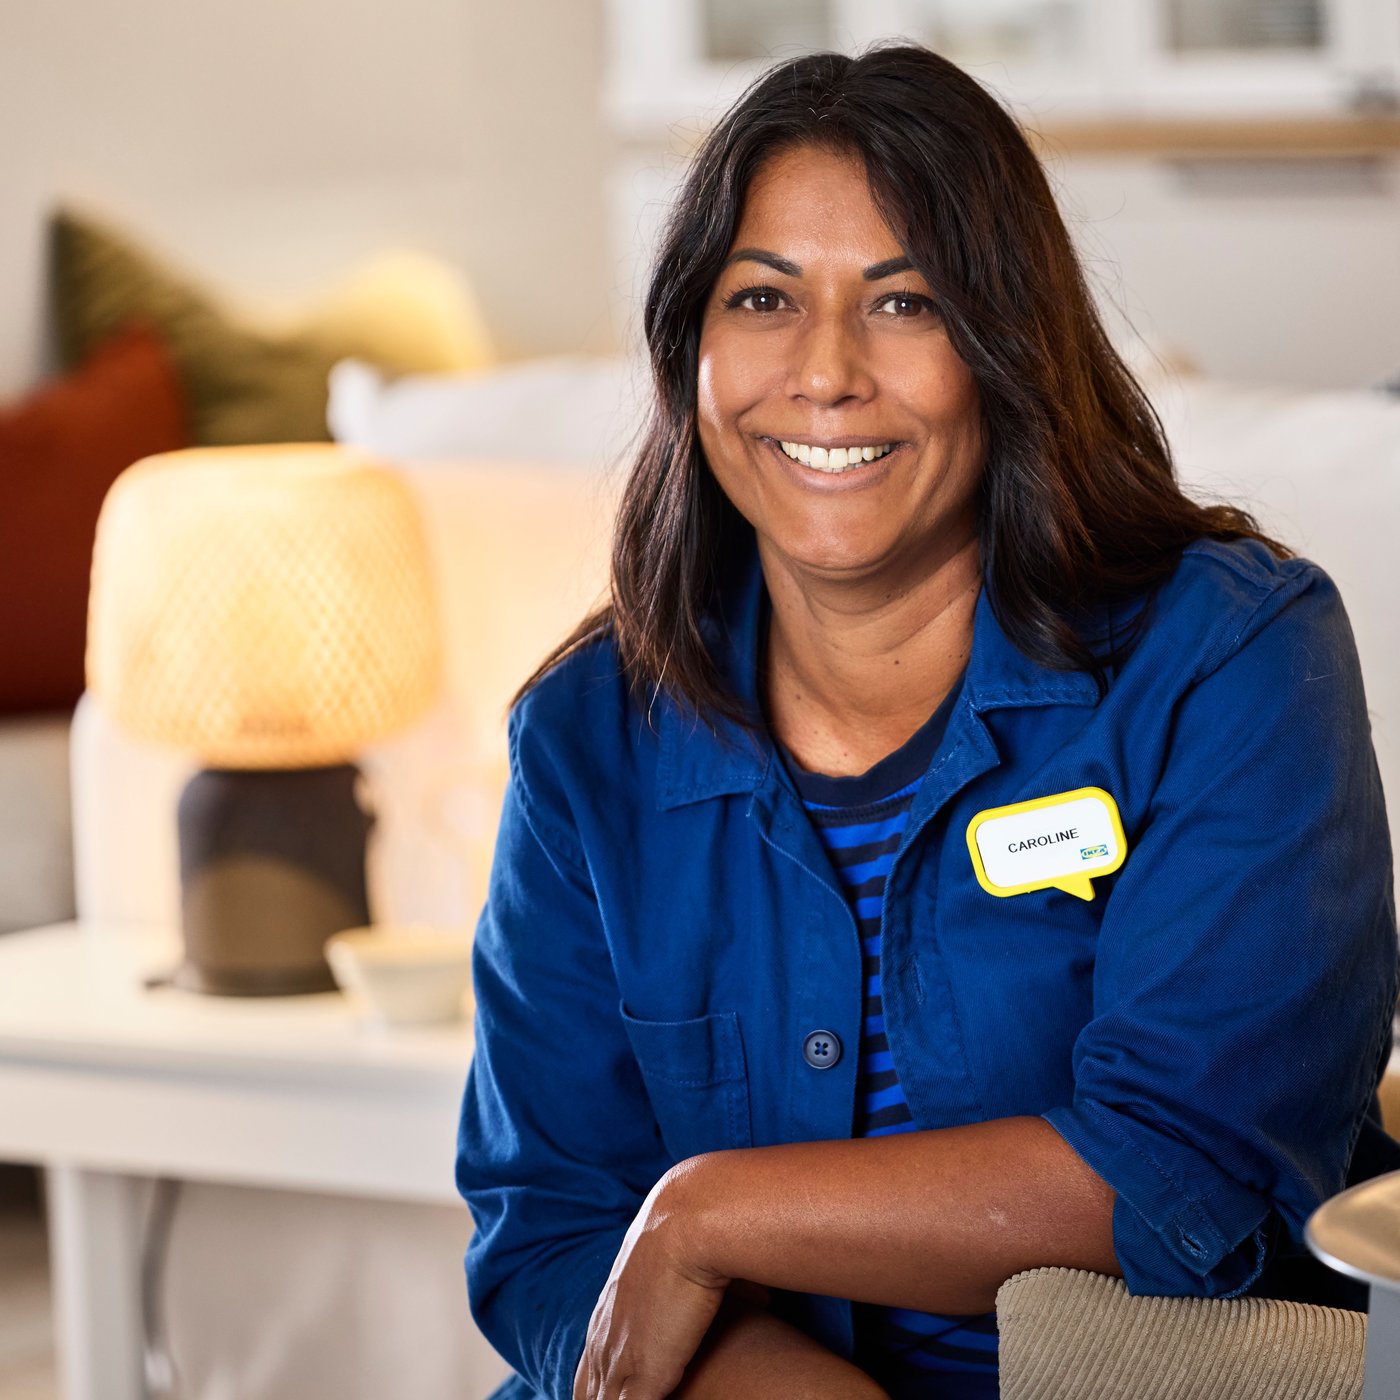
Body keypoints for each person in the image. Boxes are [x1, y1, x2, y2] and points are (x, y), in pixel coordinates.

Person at [455, 43, 1399, 1400]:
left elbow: (1189, 1164)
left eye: (905, 304)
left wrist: (708, 1213)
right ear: (690, 349)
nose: (826, 372)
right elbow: (550, 1234)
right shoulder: (582, 735)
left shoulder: (1232, 656)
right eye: (765, 296)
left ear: (1008, 350)